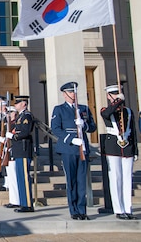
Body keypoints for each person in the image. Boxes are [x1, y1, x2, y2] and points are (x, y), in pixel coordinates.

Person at [51, 82, 97, 220]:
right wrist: (71, 139)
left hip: (82, 148)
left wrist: (85, 125)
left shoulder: (83, 108)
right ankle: (74, 210)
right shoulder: (59, 109)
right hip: (68, 148)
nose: (73, 95)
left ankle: (82, 210)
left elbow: (93, 127)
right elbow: (56, 128)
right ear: (64, 94)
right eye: (70, 92)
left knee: (81, 180)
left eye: (74, 92)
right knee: (71, 180)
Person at [100, 84, 138, 220]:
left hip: (127, 147)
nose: (117, 96)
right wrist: (117, 101)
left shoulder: (128, 111)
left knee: (127, 178)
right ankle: (118, 209)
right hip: (113, 147)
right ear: (109, 96)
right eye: (114, 94)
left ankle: (128, 208)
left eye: (118, 93)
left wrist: (135, 150)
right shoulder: (106, 109)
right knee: (116, 178)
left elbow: (133, 131)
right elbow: (107, 113)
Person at [7, 95, 34, 213]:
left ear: (24, 103)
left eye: (17, 103)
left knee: (24, 178)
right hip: (18, 150)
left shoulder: (26, 116)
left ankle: (28, 204)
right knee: (20, 178)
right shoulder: (20, 116)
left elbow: (25, 132)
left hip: (23, 149)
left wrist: (13, 136)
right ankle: (23, 203)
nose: (15, 105)